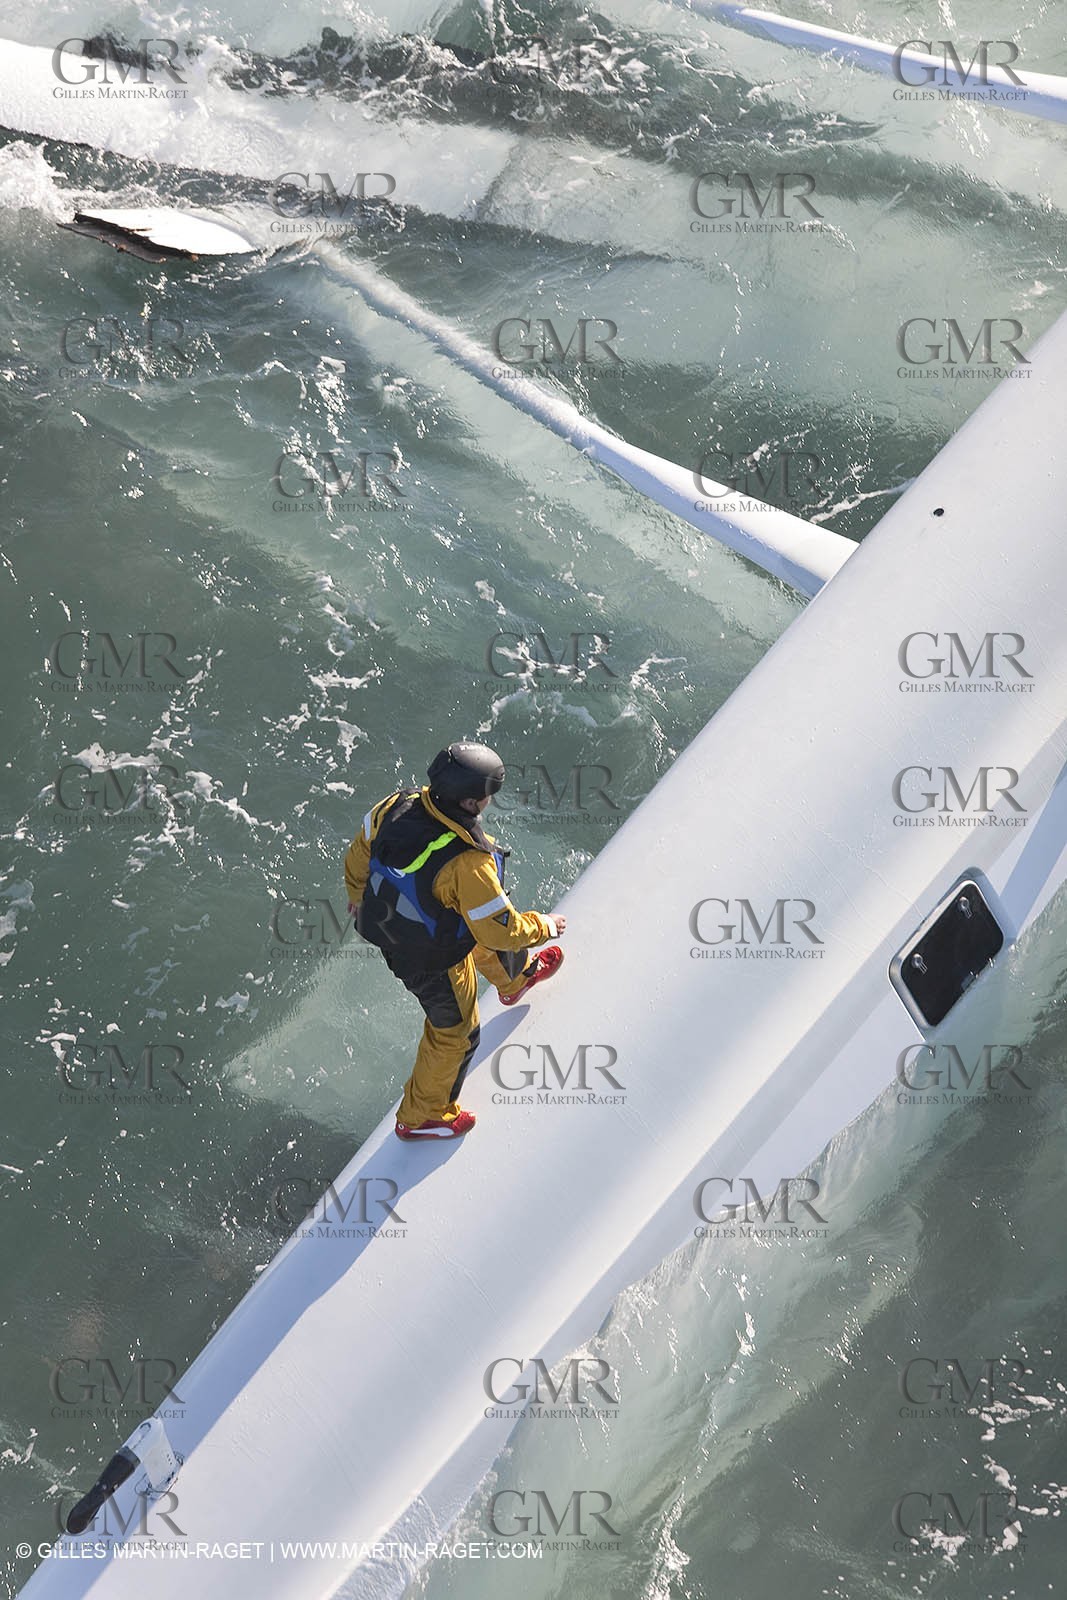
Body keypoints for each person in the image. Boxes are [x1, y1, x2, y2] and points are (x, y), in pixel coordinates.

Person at [344, 740, 566, 1140]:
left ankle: (514, 982)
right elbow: (502, 930)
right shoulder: (469, 864)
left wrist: (357, 894)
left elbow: (359, 851)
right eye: (487, 795)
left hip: (396, 923)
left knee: (473, 926)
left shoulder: (397, 803)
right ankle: (422, 1116)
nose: (488, 802)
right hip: (428, 958)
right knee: (456, 1031)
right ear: (469, 803)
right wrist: (544, 926)